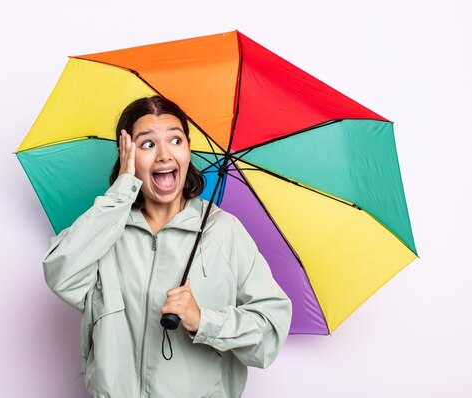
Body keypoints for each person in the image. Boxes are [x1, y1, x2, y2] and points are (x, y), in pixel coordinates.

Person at [42, 96, 292, 398]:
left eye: (175, 139)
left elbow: (269, 335)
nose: (164, 155)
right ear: (127, 156)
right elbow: (60, 273)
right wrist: (122, 189)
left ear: (188, 149)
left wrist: (203, 320)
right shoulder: (107, 230)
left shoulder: (224, 231)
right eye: (147, 144)